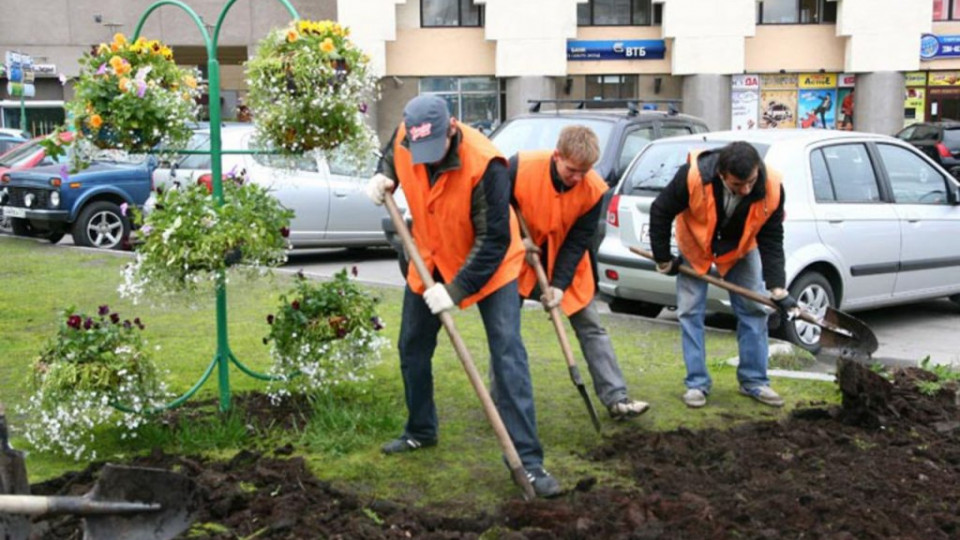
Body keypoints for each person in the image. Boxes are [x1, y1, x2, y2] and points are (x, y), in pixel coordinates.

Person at [364, 95, 561, 498]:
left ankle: (529, 461)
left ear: (452, 127)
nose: (430, 161)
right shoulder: (406, 136)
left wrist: (453, 291)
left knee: (508, 354)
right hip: (430, 258)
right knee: (412, 347)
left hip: (491, 270)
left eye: (436, 152)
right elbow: (390, 158)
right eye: (422, 154)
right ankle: (421, 429)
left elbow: (492, 241)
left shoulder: (486, 164)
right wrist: (382, 176)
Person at [509, 125, 650, 420]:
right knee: (505, 333)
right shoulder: (520, 167)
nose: (578, 178)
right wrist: (515, 239)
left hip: (566, 262)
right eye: (572, 170)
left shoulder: (594, 189)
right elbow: (496, 209)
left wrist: (559, 285)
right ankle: (507, 405)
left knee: (591, 327)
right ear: (557, 155)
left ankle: (617, 398)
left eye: (584, 171)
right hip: (517, 261)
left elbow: (577, 242)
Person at [648, 141, 800, 409]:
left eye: (750, 182)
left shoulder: (772, 188)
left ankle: (754, 381)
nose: (746, 190)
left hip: (742, 248)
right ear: (721, 174)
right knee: (690, 313)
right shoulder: (693, 176)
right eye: (737, 185)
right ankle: (696, 384)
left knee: (754, 311)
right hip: (696, 245)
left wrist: (777, 287)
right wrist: (662, 257)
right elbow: (660, 210)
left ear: (757, 170)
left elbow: (772, 238)